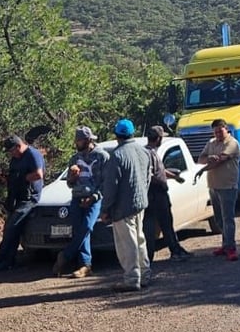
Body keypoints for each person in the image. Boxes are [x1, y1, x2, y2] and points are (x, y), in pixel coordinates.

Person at [98, 119, 153, 292]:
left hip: (122, 208)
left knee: (127, 244)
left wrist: (105, 209)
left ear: (117, 135)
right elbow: (147, 178)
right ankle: (144, 274)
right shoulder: (144, 151)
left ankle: (131, 279)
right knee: (140, 239)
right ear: (132, 133)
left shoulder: (117, 155)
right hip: (140, 203)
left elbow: (110, 187)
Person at [52, 126, 109, 279]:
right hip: (77, 198)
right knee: (80, 231)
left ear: (88, 140)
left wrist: (94, 197)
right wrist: (72, 178)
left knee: (87, 227)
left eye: (79, 140)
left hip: (94, 198)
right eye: (76, 140)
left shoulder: (102, 157)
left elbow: (106, 182)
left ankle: (65, 255)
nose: (76, 143)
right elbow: (69, 184)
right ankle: (85, 265)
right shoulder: (74, 158)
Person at [0, 135, 45, 271]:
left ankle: (3, 259)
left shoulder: (32, 154)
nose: (11, 154)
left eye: (12, 151)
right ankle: (6, 260)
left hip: (29, 198)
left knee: (12, 226)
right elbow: (14, 175)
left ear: (18, 146)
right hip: (16, 196)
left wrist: (22, 178)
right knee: (10, 229)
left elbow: (38, 174)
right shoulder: (16, 158)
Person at [143, 125, 191, 262]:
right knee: (159, 225)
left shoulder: (152, 152)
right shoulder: (148, 153)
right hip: (155, 194)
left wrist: (174, 177)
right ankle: (152, 256)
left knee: (164, 224)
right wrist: (161, 183)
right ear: (158, 138)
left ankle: (174, 250)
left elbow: (160, 171)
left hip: (156, 194)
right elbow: (149, 174)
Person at [198, 118, 240, 261]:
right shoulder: (211, 143)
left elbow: (219, 161)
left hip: (228, 186)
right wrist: (209, 158)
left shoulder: (232, 143)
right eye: (215, 132)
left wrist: (202, 170)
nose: (218, 134)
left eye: (220, 131)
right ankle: (225, 244)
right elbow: (201, 159)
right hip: (213, 186)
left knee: (228, 218)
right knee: (218, 218)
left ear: (226, 129)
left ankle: (231, 248)